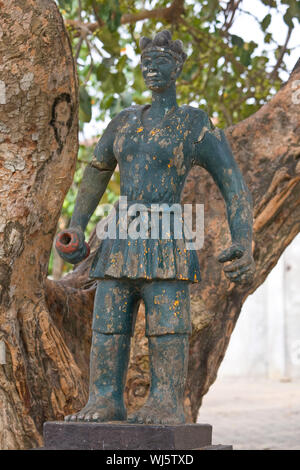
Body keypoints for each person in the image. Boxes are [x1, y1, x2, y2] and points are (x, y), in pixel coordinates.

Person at [56, 30, 255, 425]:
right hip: (122, 235)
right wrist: (77, 225)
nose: (151, 67)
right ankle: (105, 398)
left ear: (177, 67)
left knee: (167, 325)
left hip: (166, 236)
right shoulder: (124, 121)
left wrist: (245, 240)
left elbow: (233, 182)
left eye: (161, 60)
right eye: (146, 61)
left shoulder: (192, 124)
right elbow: (96, 173)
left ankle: (167, 401)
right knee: (109, 323)